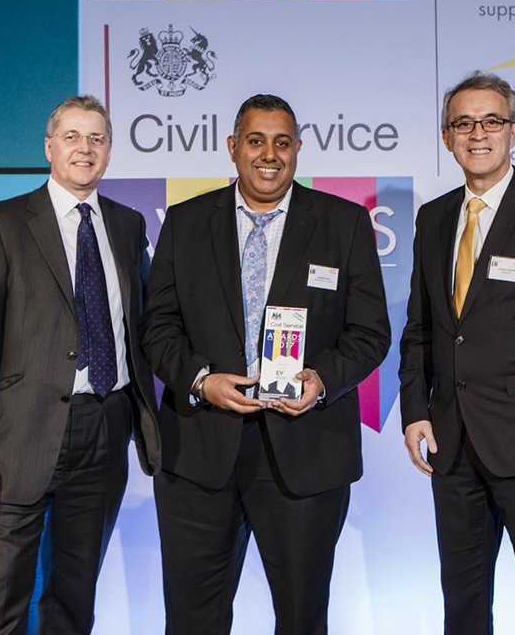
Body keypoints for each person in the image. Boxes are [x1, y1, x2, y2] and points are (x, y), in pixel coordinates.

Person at [142, 93, 390, 634]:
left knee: (302, 618)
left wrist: (322, 380)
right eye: (256, 141)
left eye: (282, 143)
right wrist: (200, 381)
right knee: (192, 620)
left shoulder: (344, 223)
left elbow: (370, 333)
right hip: (199, 454)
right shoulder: (184, 224)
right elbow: (156, 327)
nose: (269, 154)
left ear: (298, 150)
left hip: (305, 454)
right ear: (234, 148)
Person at [0, 95, 161, 635]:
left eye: (96, 138)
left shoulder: (129, 225)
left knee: (74, 593)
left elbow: (142, 329)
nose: (84, 149)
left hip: (104, 427)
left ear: (109, 151)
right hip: (17, 436)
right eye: (72, 137)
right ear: (49, 147)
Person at [399, 71, 515, 635]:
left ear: (514, 130)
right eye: (463, 123)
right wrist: (414, 410)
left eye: (491, 121)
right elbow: (421, 327)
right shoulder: (433, 218)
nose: (477, 133)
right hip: (452, 450)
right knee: (463, 604)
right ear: (446, 136)